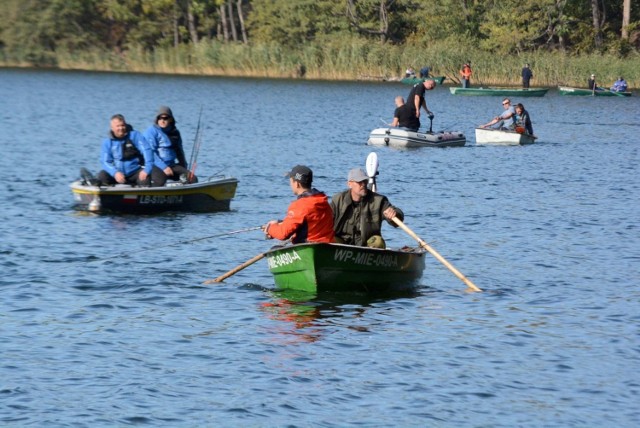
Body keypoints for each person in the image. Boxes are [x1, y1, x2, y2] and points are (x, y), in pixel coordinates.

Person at [330, 168, 404, 248]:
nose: (363, 184)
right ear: (349, 184)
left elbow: (398, 218)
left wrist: (394, 214)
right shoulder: (338, 200)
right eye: (359, 182)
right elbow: (325, 219)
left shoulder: (378, 201)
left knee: (378, 242)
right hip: (342, 243)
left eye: (365, 181)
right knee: (328, 239)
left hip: (367, 245)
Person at [263, 165, 334, 244]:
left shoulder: (299, 205)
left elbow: (283, 234)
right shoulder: (324, 202)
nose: (290, 185)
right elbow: (309, 222)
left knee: (275, 249)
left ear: (297, 184)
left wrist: (270, 228)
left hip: (307, 247)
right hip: (327, 247)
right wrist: (280, 223)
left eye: (291, 181)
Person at [96, 114, 164, 187]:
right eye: (118, 126)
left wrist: (147, 169)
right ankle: (109, 196)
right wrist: (115, 173)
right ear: (112, 128)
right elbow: (105, 162)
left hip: (135, 172)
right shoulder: (107, 142)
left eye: (122, 125)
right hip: (118, 175)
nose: (121, 128)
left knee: (144, 178)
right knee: (102, 175)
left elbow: (147, 151)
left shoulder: (135, 136)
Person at [144, 106, 195, 185]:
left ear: (170, 119)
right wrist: (164, 167)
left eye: (165, 118)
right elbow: (150, 153)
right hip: (156, 165)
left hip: (171, 165)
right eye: (160, 118)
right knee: (160, 182)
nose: (162, 121)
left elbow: (179, 150)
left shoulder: (175, 132)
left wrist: (184, 165)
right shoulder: (151, 131)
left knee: (192, 178)